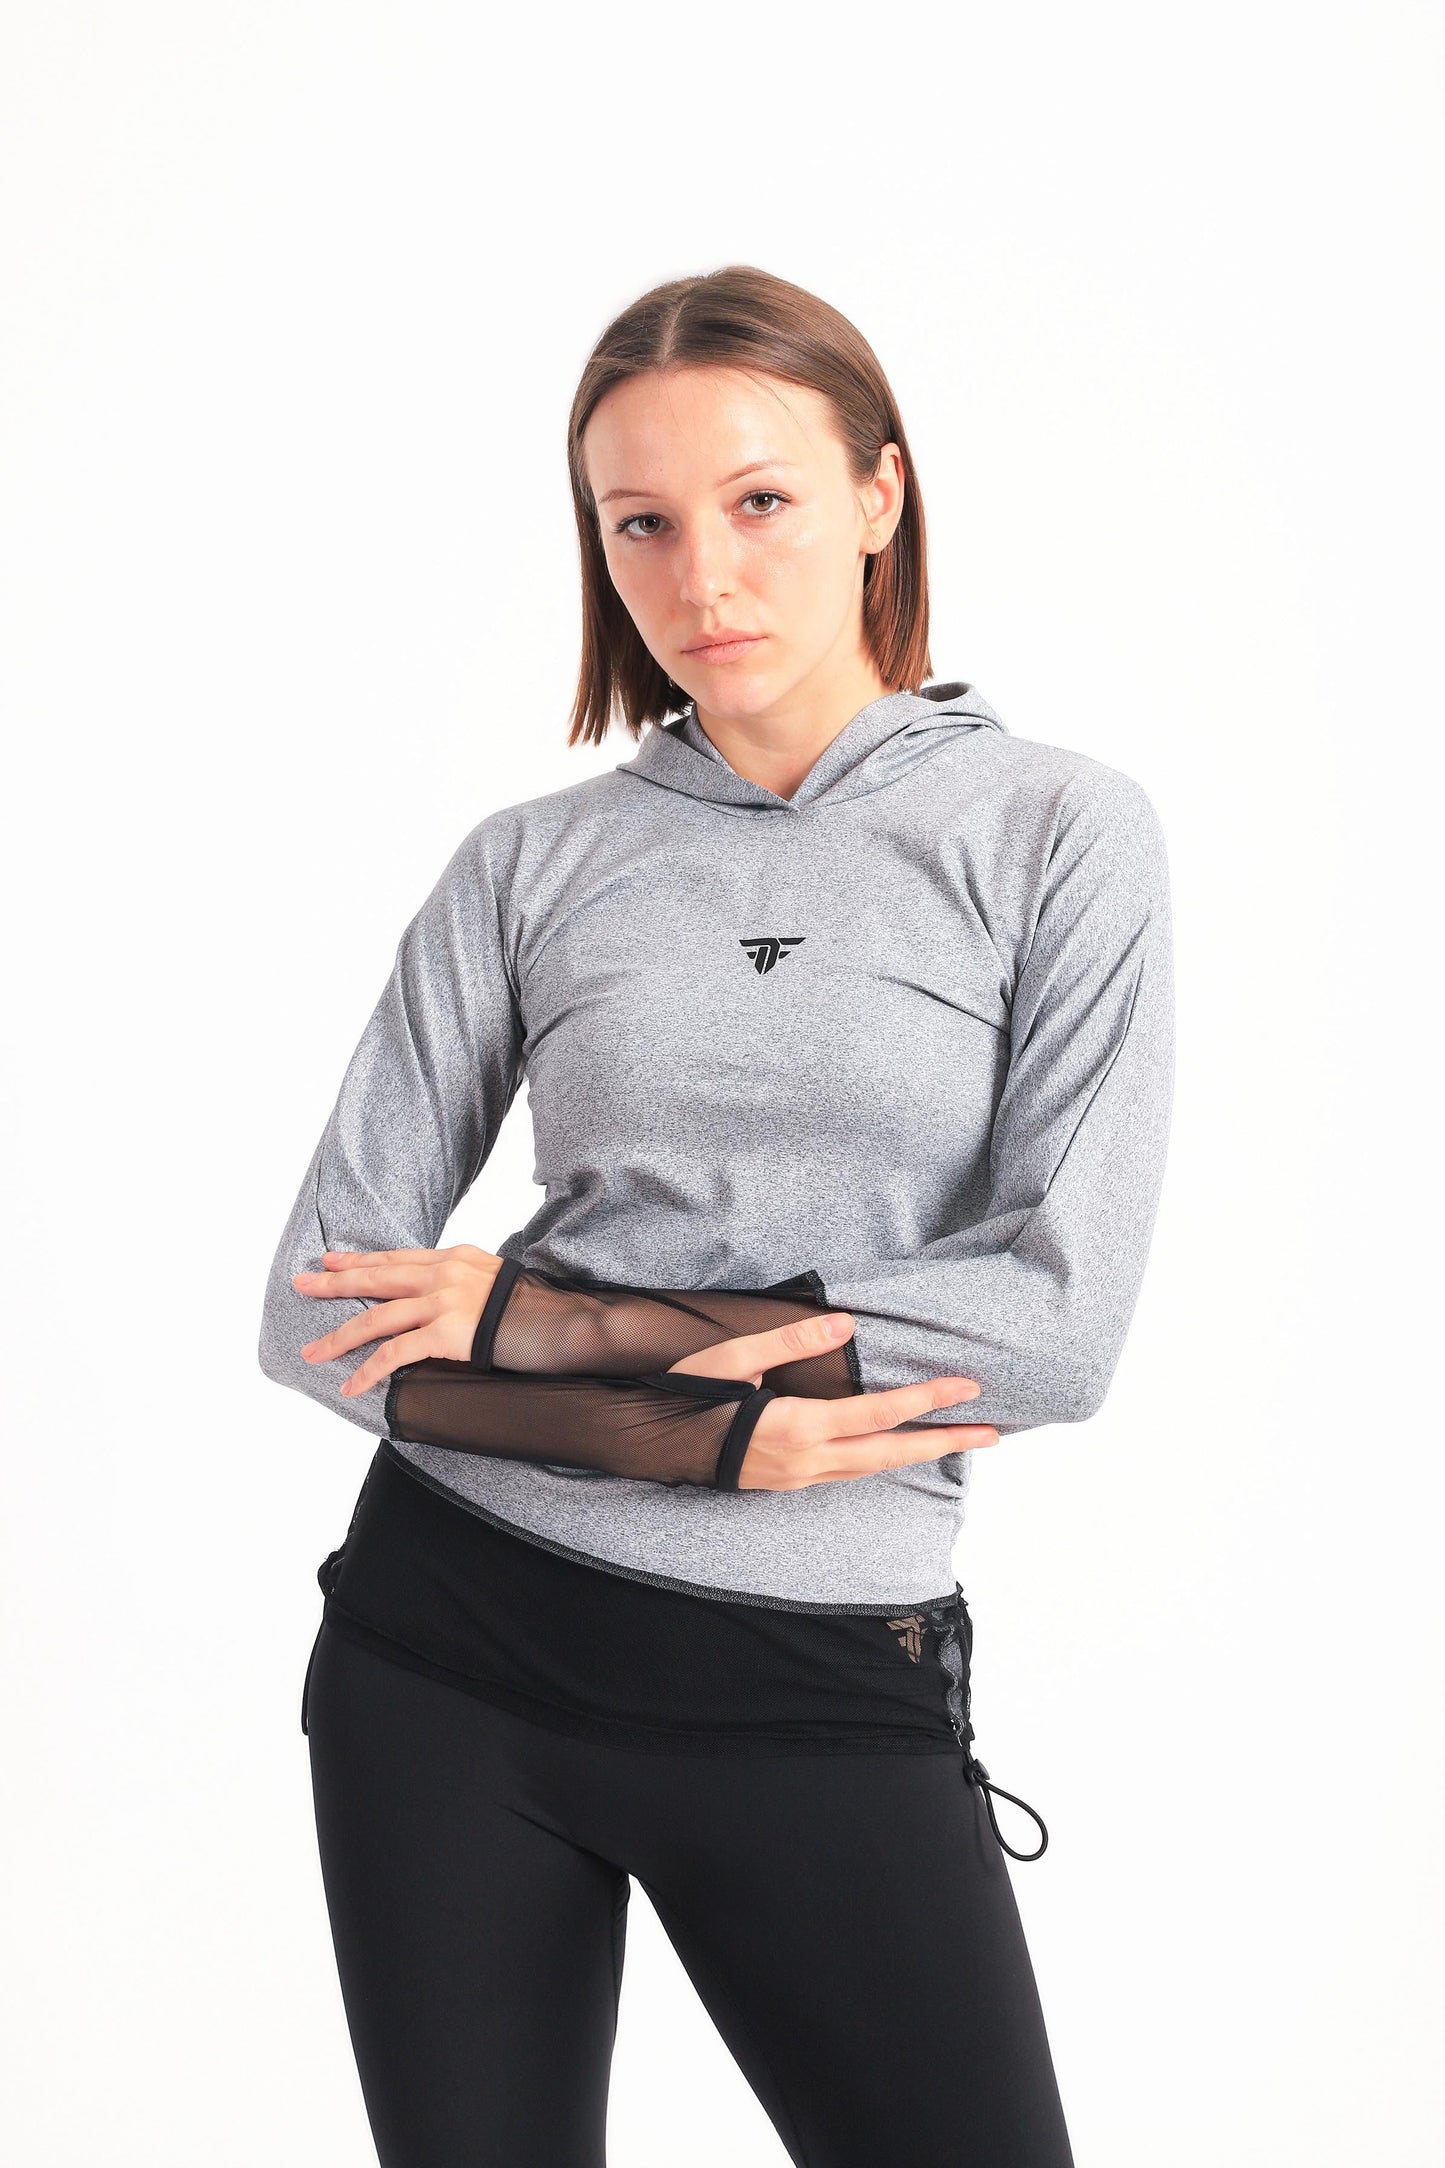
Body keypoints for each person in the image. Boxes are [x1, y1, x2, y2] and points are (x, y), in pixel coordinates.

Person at [258, 263, 1174, 2168]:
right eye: (641, 524)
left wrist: (541, 1325)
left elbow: (1052, 1326)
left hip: (813, 1674)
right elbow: (314, 1311)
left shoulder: (1051, 834)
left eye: (760, 500)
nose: (703, 577)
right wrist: (693, 1437)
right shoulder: (530, 864)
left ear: (878, 494)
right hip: (448, 1651)